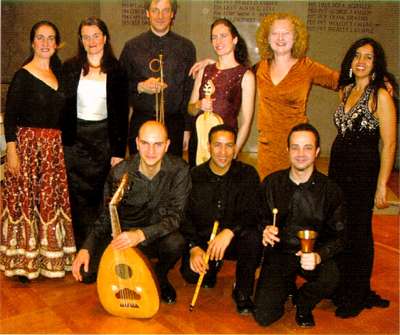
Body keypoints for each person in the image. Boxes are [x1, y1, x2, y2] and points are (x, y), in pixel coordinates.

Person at [72, 121, 191, 304]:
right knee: (85, 273)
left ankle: (159, 277)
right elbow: (105, 215)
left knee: (176, 243)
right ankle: (137, 267)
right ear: (136, 143)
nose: (151, 151)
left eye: (158, 144)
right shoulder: (120, 173)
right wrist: (86, 247)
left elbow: (175, 217)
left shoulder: (179, 170)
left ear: (167, 145)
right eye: (145, 143)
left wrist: (141, 235)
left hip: (154, 235)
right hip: (123, 237)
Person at [1, 21, 76, 282]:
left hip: (52, 148)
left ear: (57, 44)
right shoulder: (23, 75)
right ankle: (23, 263)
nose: (45, 43)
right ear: (33, 42)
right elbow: (10, 116)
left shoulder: (59, 72)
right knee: (27, 203)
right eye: (40, 38)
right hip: (27, 147)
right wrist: (12, 149)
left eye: (50, 38)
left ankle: (48, 260)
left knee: (47, 202)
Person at [328, 38, 397, 318]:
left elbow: (389, 144)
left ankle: (355, 295)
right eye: (357, 55)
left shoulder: (380, 95)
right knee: (339, 229)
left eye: (368, 57)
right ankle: (340, 287)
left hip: (363, 173)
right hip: (337, 169)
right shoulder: (344, 91)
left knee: (358, 234)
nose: (361, 61)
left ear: (376, 64)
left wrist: (382, 185)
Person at [253, 123, 345, 328]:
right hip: (280, 253)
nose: (300, 153)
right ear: (287, 151)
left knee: (332, 279)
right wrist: (264, 230)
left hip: (313, 253)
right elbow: (257, 219)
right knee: (264, 316)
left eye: (307, 147)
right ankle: (286, 284)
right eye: (295, 147)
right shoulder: (271, 183)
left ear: (317, 151)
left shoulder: (331, 190)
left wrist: (319, 255)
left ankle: (303, 302)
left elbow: (341, 237)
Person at [61, 17, 129, 249]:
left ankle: (98, 248)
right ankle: (81, 249)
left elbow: (121, 115)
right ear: (80, 40)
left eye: (96, 35)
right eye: (86, 36)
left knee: (101, 196)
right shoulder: (70, 67)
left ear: (105, 38)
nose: (91, 41)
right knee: (76, 198)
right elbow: (61, 107)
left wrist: (118, 152)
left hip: (103, 140)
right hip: (74, 142)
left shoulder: (118, 70)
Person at [180, 124, 263, 314]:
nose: (223, 152)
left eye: (229, 145)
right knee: (191, 276)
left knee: (253, 238)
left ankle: (242, 291)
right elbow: (184, 216)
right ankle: (212, 266)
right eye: (217, 145)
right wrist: (193, 248)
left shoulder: (248, 174)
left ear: (235, 147)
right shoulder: (193, 176)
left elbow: (253, 212)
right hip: (203, 242)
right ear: (208, 146)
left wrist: (230, 231)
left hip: (233, 240)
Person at [255, 13, 338, 179]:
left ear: (295, 37)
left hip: (297, 148)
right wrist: (210, 64)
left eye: (286, 33)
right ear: (267, 38)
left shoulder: (306, 66)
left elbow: (339, 80)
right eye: (275, 33)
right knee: (268, 198)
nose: (280, 38)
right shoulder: (260, 67)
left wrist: (377, 78)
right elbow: (233, 71)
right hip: (268, 150)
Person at [119, 0, 196, 157]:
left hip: (174, 125)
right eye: (155, 10)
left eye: (165, 10)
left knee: (171, 174)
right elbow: (118, 87)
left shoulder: (186, 47)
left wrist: (187, 128)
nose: (160, 16)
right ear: (147, 13)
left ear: (172, 14)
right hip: (141, 121)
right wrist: (140, 87)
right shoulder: (132, 46)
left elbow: (190, 90)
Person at [187, 18, 255, 166]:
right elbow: (190, 109)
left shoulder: (246, 76)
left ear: (235, 39)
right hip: (199, 143)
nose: (218, 41)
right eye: (214, 37)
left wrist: (235, 150)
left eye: (223, 36)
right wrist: (199, 104)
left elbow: (246, 122)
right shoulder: (204, 70)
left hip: (225, 145)